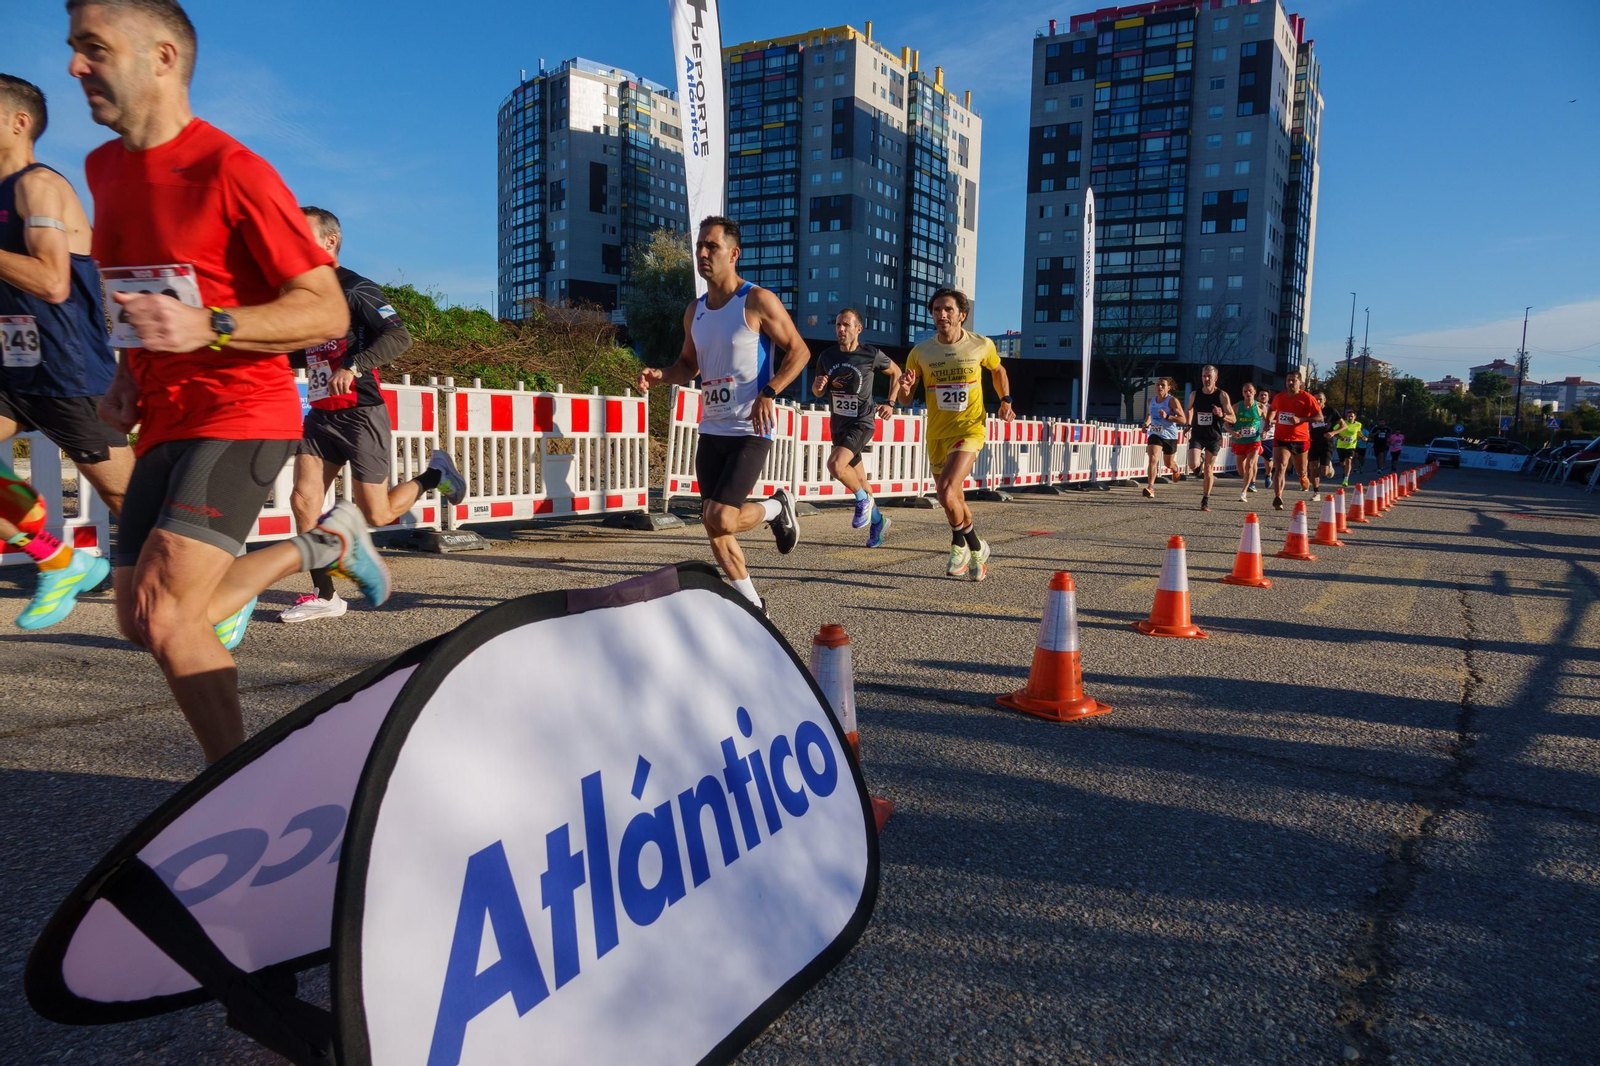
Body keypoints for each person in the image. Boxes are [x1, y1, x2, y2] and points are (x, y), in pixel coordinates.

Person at [70, 0, 392, 763]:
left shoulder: (232, 170)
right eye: (73, 47)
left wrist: (212, 326)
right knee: (141, 618)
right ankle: (322, 544)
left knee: (167, 612)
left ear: (162, 58)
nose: (76, 67)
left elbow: (318, 310)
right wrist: (123, 376)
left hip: (245, 409)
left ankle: (235, 788)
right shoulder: (103, 167)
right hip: (164, 415)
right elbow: (135, 289)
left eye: (93, 47)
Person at [280, 207, 464, 623]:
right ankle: (324, 595)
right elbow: (298, 350)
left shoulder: (356, 287)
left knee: (379, 513)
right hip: (321, 415)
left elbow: (399, 334)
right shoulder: (300, 295)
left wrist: (355, 366)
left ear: (330, 241)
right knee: (303, 499)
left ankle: (436, 475)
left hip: (361, 412)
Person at [0, 74, 135, 630]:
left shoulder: (39, 185)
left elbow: (53, 281)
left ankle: (221, 584)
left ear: (19, 121)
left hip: (69, 367)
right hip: (14, 366)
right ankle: (58, 560)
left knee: (127, 495)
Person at [637, 216, 807, 610]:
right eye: (699, 246)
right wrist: (661, 375)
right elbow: (687, 365)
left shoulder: (757, 301)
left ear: (733, 254)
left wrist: (770, 390)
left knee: (722, 516)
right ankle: (753, 605)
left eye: (711, 246)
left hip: (750, 428)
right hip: (711, 429)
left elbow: (799, 351)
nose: (701, 253)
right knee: (712, 526)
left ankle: (778, 506)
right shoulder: (693, 310)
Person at [896, 288, 1011, 581]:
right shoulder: (920, 352)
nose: (941, 315)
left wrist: (1005, 400)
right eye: (936, 310)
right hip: (937, 432)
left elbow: (998, 371)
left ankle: (970, 546)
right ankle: (966, 544)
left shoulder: (981, 345)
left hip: (970, 427)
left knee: (946, 490)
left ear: (962, 315)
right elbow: (906, 399)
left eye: (948, 309)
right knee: (953, 499)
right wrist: (906, 388)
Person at [809, 307, 901, 548]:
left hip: (862, 422)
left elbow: (897, 373)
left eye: (846, 325)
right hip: (839, 424)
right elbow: (818, 391)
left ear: (858, 329)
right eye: (838, 324)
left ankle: (861, 501)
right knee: (861, 480)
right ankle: (878, 521)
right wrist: (818, 386)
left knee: (835, 465)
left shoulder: (871, 355)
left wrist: (890, 403)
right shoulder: (826, 357)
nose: (840, 329)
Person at [1266, 371, 1322, 510]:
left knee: (1301, 470)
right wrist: (1268, 421)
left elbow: (1319, 417)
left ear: (1300, 383)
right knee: (1280, 467)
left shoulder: (1307, 398)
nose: (1290, 383)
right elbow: (1272, 409)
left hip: (1300, 439)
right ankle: (1278, 496)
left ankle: (1303, 477)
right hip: (1281, 438)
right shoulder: (1279, 397)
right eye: (1288, 380)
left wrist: (1301, 419)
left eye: (1293, 380)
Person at [1185, 364, 1233, 511]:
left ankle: (1205, 498)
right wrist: (1188, 423)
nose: (1206, 379)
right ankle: (1198, 464)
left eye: (1209, 377)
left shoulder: (1222, 395)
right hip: (1198, 435)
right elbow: (1189, 409)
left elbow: (1233, 418)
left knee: (1208, 469)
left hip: (1214, 437)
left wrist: (1222, 414)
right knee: (1192, 464)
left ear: (1215, 378)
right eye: (1204, 376)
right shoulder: (1195, 394)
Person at [1141, 377, 1187, 499]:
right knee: (1153, 458)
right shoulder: (1151, 401)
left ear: (1168, 388)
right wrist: (1146, 424)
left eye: (1162, 385)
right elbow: (1149, 415)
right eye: (1158, 385)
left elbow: (1183, 419)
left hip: (1169, 435)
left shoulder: (1172, 401)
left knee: (1168, 463)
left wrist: (1168, 417)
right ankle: (1151, 487)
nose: (1159, 387)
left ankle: (1175, 468)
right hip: (1155, 434)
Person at [1229, 381, 1264, 504]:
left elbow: (1269, 420)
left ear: (1254, 392)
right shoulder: (1236, 407)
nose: (1248, 393)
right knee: (1241, 471)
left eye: (1250, 391)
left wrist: (1265, 430)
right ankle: (1248, 481)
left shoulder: (1260, 407)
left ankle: (1243, 492)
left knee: (1250, 465)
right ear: (1242, 393)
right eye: (1245, 391)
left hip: (1254, 441)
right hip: (1240, 441)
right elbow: (1226, 423)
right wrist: (1233, 433)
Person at [1306, 389, 1336, 495]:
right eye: (1315, 399)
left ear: (1325, 400)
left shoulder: (1331, 411)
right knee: (1312, 467)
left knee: (1324, 472)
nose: (1318, 402)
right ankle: (1316, 492)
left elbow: (1343, 425)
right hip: (1313, 442)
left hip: (1326, 443)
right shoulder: (1309, 411)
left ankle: (1329, 466)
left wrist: (1333, 433)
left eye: (1320, 399)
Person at [1333, 408, 1366, 486]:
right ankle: (1346, 471)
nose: (1350, 417)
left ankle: (1346, 479)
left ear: (1355, 417)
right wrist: (1340, 438)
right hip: (1341, 446)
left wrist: (1363, 437)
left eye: (1351, 416)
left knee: (1348, 461)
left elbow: (1358, 432)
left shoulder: (1358, 424)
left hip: (1351, 446)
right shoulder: (1342, 423)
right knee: (1342, 462)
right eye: (1348, 416)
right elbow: (1334, 432)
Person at [1256, 387, 1274, 489]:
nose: (1263, 397)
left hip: (1268, 437)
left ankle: (1268, 474)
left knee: (1268, 462)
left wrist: (1268, 423)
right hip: (1255, 437)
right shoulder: (1253, 407)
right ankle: (1251, 482)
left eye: (1265, 395)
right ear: (1257, 397)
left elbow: (1276, 421)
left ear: (1268, 397)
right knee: (1252, 461)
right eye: (1261, 395)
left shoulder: (1272, 409)